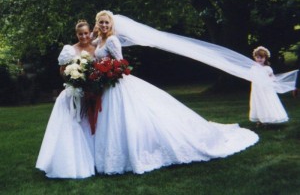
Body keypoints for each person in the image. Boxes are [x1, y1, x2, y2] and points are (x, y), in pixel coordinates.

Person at [93, 10, 259, 175]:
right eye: (101, 22)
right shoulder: (99, 40)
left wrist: (110, 72)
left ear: (111, 24)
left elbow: (121, 64)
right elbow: (89, 48)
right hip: (106, 85)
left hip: (117, 83)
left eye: (107, 22)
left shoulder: (113, 40)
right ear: (97, 24)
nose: (104, 25)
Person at [36, 20, 96, 178]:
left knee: (90, 125)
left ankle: (94, 158)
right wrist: (72, 74)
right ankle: (69, 162)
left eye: (86, 33)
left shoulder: (96, 48)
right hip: (73, 91)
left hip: (90, 93)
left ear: (90, 32)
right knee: (72, 126)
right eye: (80, 34)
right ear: (76, 34)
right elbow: (62, 71)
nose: (83, 36)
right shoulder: (70, 50)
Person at [249, 46, 288, 126]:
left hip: (266, 89)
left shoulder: (267, 68)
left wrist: (271, 81)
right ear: (255, 57)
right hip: (257, 89)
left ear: (265, 58)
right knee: (258, 102)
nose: (259, 59)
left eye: (262, 58)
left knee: (266, 102)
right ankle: (259, 119)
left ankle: (267, 119)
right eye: (258, 57)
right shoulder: (253, 68)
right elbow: (252, 77)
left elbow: (272, 77)